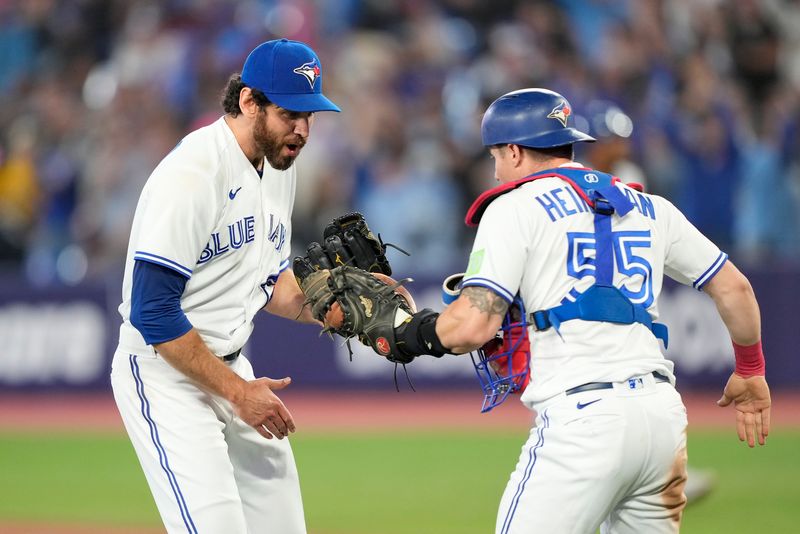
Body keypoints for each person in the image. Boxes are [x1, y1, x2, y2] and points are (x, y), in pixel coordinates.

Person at [366, 88, 771, 533]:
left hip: (584, 420)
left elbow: (473, 325)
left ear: (515, 151)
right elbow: (736, 288)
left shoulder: (514, 206)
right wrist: (750, 371)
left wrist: (409, 332)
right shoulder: (650, 206)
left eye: (496, 155)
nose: (495, 168)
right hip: (662, 421)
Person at [110, 38, 340, 533]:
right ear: (248, 102)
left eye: (311, 114)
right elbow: (153, 312)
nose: (302, 129)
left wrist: (336, 304)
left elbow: (268, 285)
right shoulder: (193, 174)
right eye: (290, 112)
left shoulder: (278, 165)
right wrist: (239, 393)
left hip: (233, 370)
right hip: (166, 374)